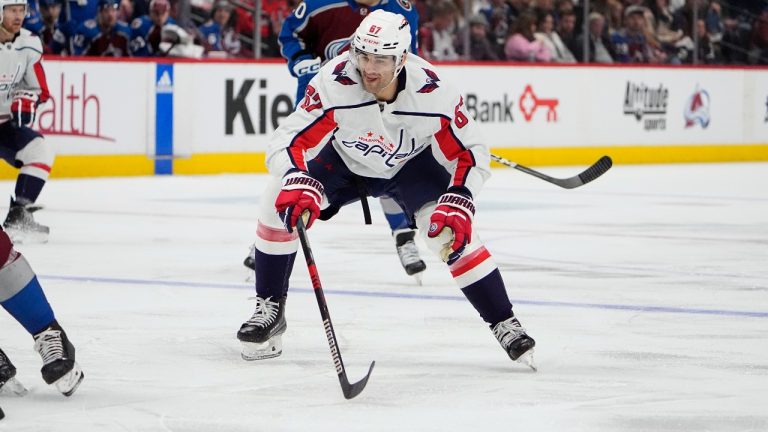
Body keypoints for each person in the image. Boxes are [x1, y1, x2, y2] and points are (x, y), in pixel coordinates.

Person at [236, 10, 536, 369]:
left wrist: (461, 196)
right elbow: (287, 140)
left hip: (413, 166)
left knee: (447, 233)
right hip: (345, 162)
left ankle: (504, 320)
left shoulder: (433, 91)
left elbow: (472, 152)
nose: (370, 68)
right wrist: (295, 175)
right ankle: (270, 308)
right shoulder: (333, 81)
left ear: (402, 59)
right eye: (363, 56)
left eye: (381, 59)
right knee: (274, 200)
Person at [244, 0, 427, 280]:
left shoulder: (401, 10)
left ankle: (403, 236)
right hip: (321, 106)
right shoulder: (320, 4)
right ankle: (272, 239)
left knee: (387, 163)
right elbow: (290, 34)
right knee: (299, 174)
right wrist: (300, 59)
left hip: (373, 107)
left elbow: (409, 60)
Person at [0, 0, 56, 243]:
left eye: (21, 10)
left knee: (39, 150)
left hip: (4, 125)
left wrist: (28, 99)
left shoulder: (29, 44)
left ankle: (18, 215)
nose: (18, 15)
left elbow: (40, 89)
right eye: (12, 10)